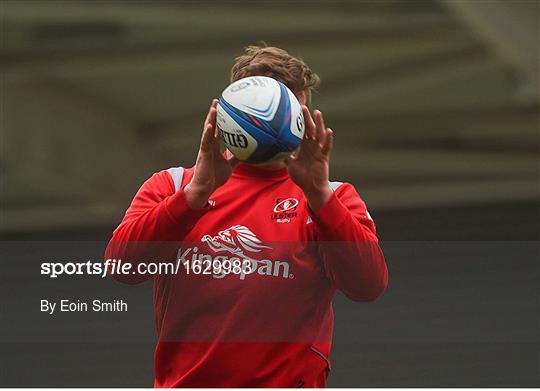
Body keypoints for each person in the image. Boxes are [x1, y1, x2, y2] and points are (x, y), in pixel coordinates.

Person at [105, 45, 388, 387]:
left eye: (295, 115)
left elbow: (368, 286)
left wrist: (318, 195)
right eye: (275, 115)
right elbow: (121, 268)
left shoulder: (333, 196)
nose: (287, 128)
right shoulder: (173, 185)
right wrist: (195, 195)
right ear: (234, 113)